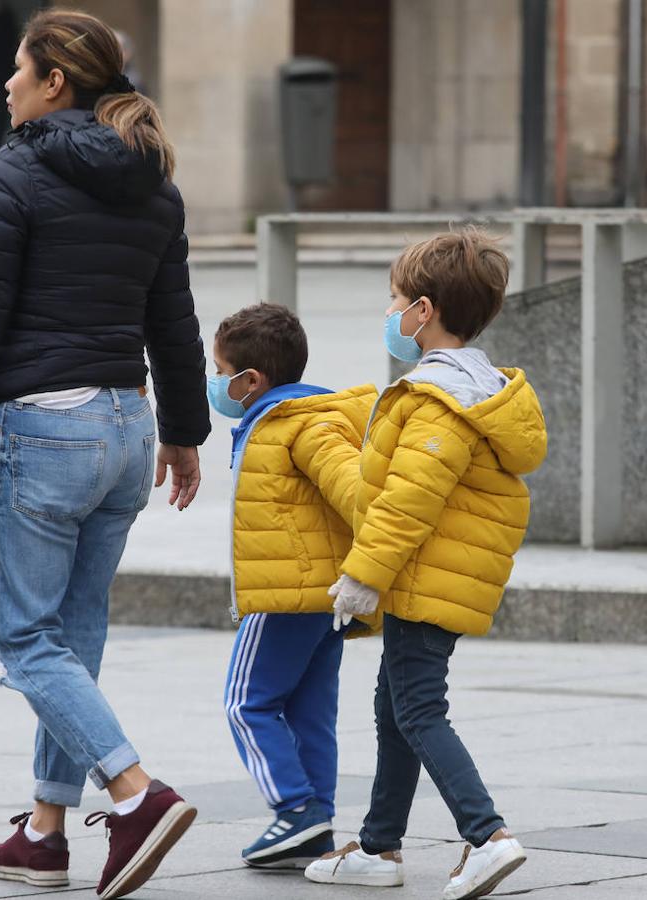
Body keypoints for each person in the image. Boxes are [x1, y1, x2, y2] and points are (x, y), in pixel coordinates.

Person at [0, 10, 208, 899]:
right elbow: (174, 323)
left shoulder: (15, 171)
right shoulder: (154, 180)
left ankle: (136, 795)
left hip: (47, 430)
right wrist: (183, 432)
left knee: (24, 640)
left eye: (18, 70)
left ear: (55, 82)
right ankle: (44, 832)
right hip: (126, 429)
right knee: (73, 637)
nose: (5, 84)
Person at [304, 229, 548, 899]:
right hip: (440, 574)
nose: (389, 313)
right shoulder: (477, 387)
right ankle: (378, 847)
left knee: (417, 709)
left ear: (422, 310)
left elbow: (407, 501)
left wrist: (363, 575)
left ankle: (487, 836)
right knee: (396, 707)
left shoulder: (436, 398)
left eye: (395, 300)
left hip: (421, 577)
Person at [208, 304, 376, 869]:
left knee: (245, 702)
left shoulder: (301, 425)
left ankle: (295, 808)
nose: (215, 383)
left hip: (288, 593)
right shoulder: (292, 418)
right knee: (309, 713)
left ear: (251, 380)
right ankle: (315, 826)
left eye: (220, 372)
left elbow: (358, 492)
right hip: (322, 597)